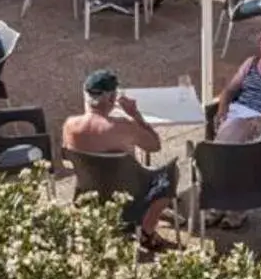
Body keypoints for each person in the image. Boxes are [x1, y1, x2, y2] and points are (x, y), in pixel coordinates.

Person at [60, 68, 176, 248]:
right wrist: (135, 114)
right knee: (170, 174)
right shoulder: (122, 127)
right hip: (128, 196)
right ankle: (147, 230)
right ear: (111, 99)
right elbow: (154, 145)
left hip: (90, 194)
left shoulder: (70, 126)